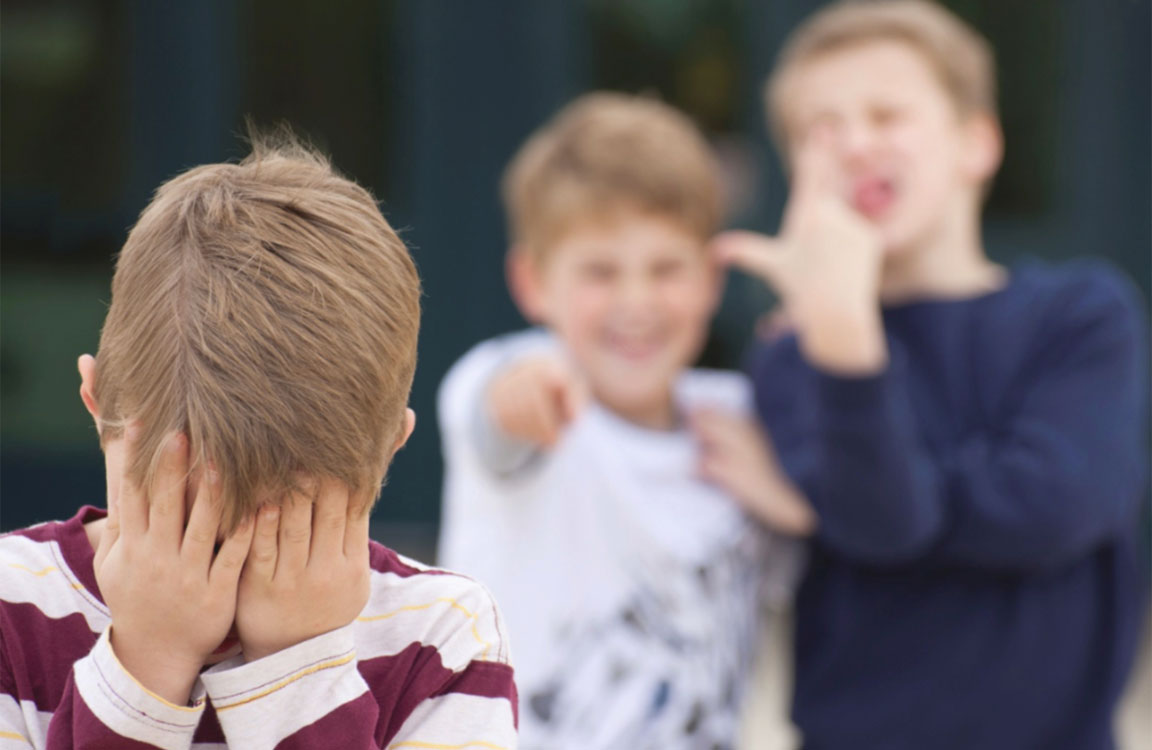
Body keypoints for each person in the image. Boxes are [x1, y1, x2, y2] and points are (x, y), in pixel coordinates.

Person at [713, 2, 1149, 748]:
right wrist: (843, 333)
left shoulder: (1081, 315)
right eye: (822, 129)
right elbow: (884, 523)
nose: (856, 144)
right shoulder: (793, 358)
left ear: (976, 143)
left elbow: (1053, 507)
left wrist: (823, 509)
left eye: (886, 115)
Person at [0, 135, 518, 750]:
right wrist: (147, 661)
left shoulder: (442, 639)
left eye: (278, 522)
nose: (213, 575)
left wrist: (295, 667)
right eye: (185, 513)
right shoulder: (11, 608)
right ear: (96, 403)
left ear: (389, 449)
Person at [437, 92, 814, 750]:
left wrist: (790, 498)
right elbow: (492, 416)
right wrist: (522, 396)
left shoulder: (740, 418)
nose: (636, 302)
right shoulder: (517, 373)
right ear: (532, 282)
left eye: (666, 269)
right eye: (600, 272)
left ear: (711, 279)